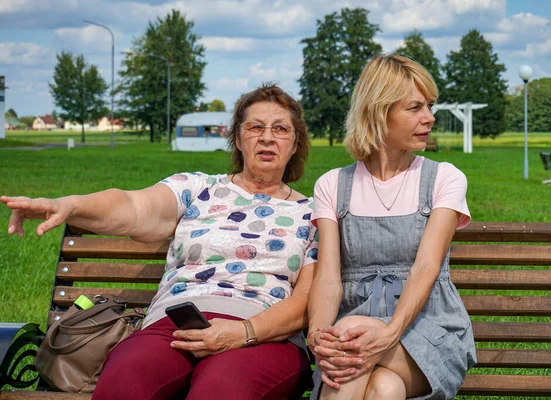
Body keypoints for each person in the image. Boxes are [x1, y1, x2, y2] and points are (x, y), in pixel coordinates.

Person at [2, 84, 318, 400]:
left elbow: (305, 301)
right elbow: (133, 205)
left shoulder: (313, 215)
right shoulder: (197, 189)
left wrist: (245, 332)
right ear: (237, 138)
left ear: (294, 144)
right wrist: (69, 205)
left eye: (280, 129)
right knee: (126, 383)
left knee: (220, 391)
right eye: (255, 127)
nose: (266, 137)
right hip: (174, 324)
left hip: (263, 335)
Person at [306, 54, 476, 400]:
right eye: (414, 108)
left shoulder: (443, 178)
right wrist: (317, 334)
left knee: (351, 338)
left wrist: (390, 332)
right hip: (350, 335)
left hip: (428, 331)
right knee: (384, 388)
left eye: (429, 106)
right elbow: (327, 277)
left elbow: (427, 267)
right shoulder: (332, 185)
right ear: (378, 111)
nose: (429, 118)